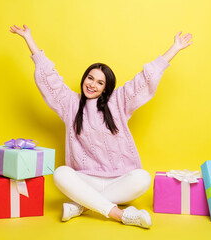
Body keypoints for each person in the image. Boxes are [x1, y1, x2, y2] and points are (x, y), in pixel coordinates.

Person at [10, 24, 193, 228]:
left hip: (120, 180)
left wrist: (174, 48)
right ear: (84, 78)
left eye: (100, 83)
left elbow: (144, 79)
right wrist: (29, 39)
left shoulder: (119, 101)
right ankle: (119, 215)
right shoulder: (69, 103)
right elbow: (48, 78)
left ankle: (82, 207)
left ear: (106, 88)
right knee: (60, 173)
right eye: (90, 78)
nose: (92, 85)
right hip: (87, 179)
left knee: (143, 178)